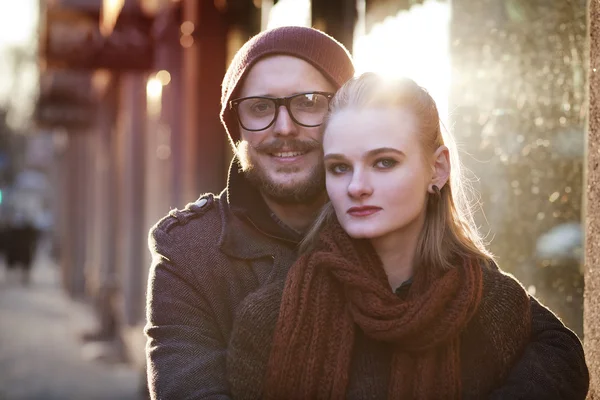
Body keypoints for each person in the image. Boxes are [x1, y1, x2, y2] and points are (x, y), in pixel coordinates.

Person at [145, 26, 589, 399]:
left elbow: (546, 343)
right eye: (260, 107)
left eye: (309, 102)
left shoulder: (402, 229)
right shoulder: (192, 251)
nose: (284, 127)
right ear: (237, 127)